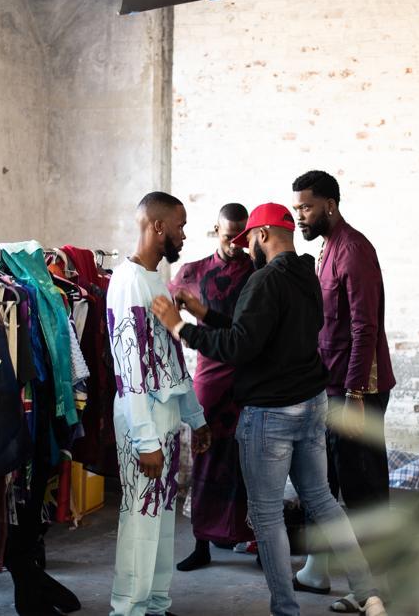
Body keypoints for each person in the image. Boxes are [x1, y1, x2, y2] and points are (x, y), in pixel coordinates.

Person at [151, 203, 388, 616]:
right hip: (312, 404)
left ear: (261, 235)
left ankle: (286, 610)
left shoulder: (263, 279)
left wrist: (180, 326)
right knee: (324, 502)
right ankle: (369, 593)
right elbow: (259, 330)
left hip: (271, 414)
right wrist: (205, 313)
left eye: (250, 241)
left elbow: (238, 346)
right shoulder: (307, 273)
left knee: (266, 515)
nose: (247, 249)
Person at [291, 170, 395, 609]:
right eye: (296, 208)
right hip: (332, 385)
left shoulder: (353, 250)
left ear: (330, 205)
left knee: (362, 489)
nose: (300, 216)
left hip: (356, 391)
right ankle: (316, 572)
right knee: (325, 480)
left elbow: (364, 327)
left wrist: (353, 395)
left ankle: (373, 587)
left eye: (307, 207)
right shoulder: (327, 248)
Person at [107, 191, 212, 616]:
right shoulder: (128, 281)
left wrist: (195, 418)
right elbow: (129, 367)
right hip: (143, 416)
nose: (183, 235)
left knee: (163, 515)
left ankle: (155, 604)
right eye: (180, 226)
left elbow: (171, 357)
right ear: (158, 226)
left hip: (165, 415)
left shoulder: (154, 280)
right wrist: (145, 439)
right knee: (140, 517)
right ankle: (127, 610)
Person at [168, 203, 256, 571]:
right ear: (215, 231)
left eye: (241, 238)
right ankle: (201, 541)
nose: (235, 245)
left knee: (251, 461)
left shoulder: (258, 272)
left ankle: (254, 540)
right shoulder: (192, 272)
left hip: (250, 379)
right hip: (210, 377)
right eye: (228, 237)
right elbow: (165, 313)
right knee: (204, 458)